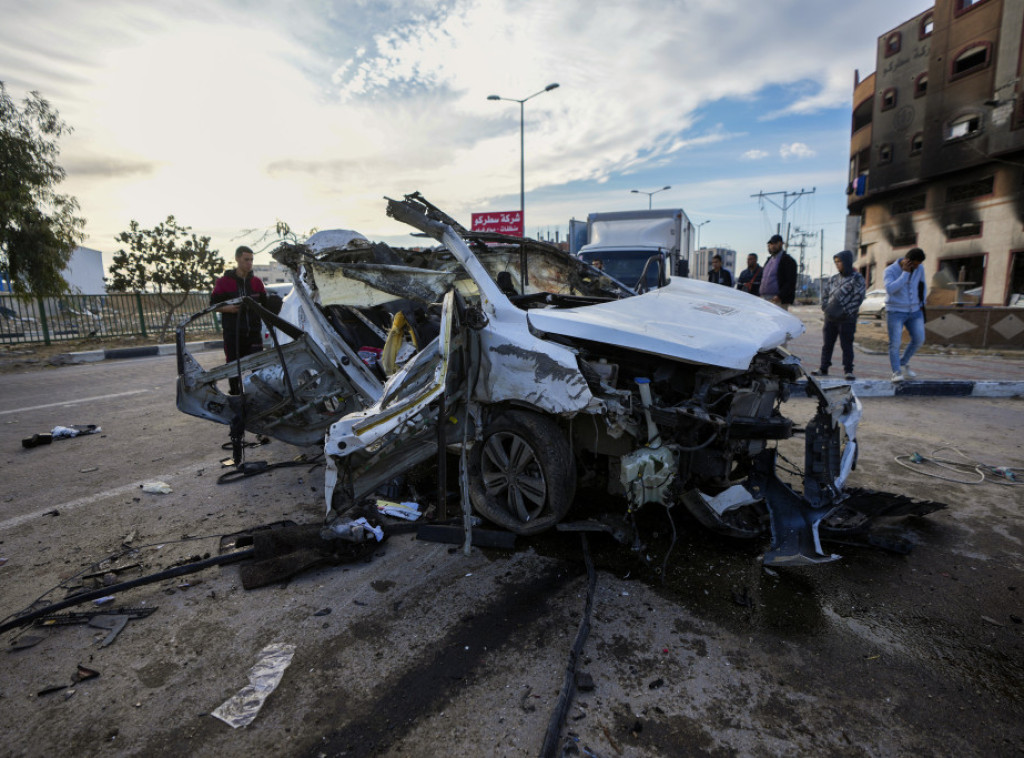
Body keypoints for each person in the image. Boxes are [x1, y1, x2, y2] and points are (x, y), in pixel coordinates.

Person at [211, 245, 268, 394]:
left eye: (251, 260)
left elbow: (266, 304)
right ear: (237, 259)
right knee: (234, 368)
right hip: (233, 334)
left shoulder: (257, 282)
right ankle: (237, 396)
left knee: (258, 366)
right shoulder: (223, 282)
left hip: (254, 333)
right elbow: (213, 306)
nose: (249, 263)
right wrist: (228, 309)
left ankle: (262, 395)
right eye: (246, 259)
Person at [812, 250, 866, 381]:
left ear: (846, 262)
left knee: (846, 344)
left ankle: (848, 370)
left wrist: (845, 312)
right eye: (836, 262)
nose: (837, 265)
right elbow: (825, 295)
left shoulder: (857, 278)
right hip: (830, 318)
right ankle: (823, 368)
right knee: (827, 344)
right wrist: (826, 308)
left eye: (840, 262)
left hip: (847, 319)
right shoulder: (833, 279)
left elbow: (858, 297)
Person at [884, 247, 927, 383]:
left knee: (919, 339)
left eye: (918, 264)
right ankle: (896, 372)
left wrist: (922, 303)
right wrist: (905, 274)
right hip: (895, 311)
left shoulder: (920, 269)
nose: (916, 267)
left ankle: (903, 362)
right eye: (914, 264)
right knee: (895, 343)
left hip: (915, 310)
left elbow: (922, 285)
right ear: (906, 261)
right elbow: (890, 289)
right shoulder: (890, 270)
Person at [758, 234, 797, 309]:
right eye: (771, 244)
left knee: (776, 320)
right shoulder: (769, 260)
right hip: (764, 299)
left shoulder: (787, 260)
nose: (773, 246)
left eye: (775, 243)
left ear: (781, 244)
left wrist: (780, 296)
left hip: (777, 300)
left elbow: (790, 282)